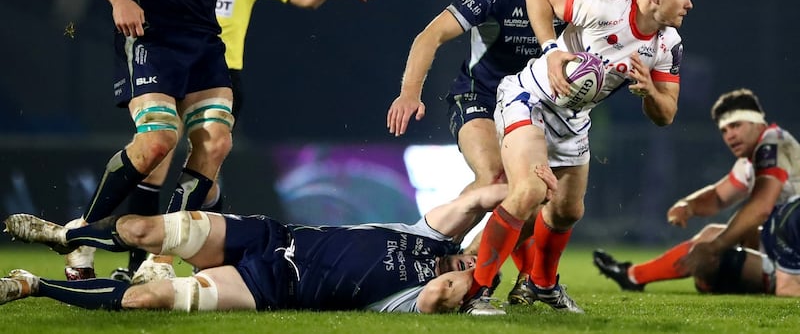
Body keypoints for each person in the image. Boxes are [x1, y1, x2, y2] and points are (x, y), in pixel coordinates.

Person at [32, 0, 374, 284]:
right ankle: (83, 237)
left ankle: (158, 261)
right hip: (151, 38)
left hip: (205, 43)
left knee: (216, 142)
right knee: (158, 143)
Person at [461, 0, 703, 314]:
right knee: (529, 192)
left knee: (568, 211)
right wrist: (551, 50)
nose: (689, 4)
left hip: (573, 119)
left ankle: (542, 285)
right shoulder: (604, 8)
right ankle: (475, 293)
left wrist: (650, 91)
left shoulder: (667, 44)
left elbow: (666, 114)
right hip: (531, 98)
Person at [385, 0, 600, 307]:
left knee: (540, 197)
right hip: (478, 98)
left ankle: (479, 266)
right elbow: (430, 35)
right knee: (496, 178)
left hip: (535, 109)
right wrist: (409, 93)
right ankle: (442, 257)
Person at [0, 165, 558, 313]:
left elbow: (446, 293)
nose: (466, 259)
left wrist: (481, 282)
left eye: (475, 268)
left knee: (148, 297)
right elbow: (477, 201)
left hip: (269, 284)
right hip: (272, 235)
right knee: (142, 230)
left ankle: (33, 287)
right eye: (471, 254)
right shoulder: (424, 234)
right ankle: (71, 234)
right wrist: (525, 191)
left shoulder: (415, 298)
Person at [459, 0, 609, 304]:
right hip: (505, 93)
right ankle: (463, 262)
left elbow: (604, 53)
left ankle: (534, 282)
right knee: (512, 185)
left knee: (564, 207)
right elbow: (485, 23)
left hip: (561, 105)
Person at [594, 89, 800, 294]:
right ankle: (633, 275)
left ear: (758, 123)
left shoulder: (772, 142)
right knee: (711, 238)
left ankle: (758, 281)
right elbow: (718, 197)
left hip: (792, 246)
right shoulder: (750, 160)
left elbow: (760, 207)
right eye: (724, 130)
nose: (730, 135)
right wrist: (690, 205)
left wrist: (715, 247)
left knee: (716, 259)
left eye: (736, 125)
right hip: (785, 242)